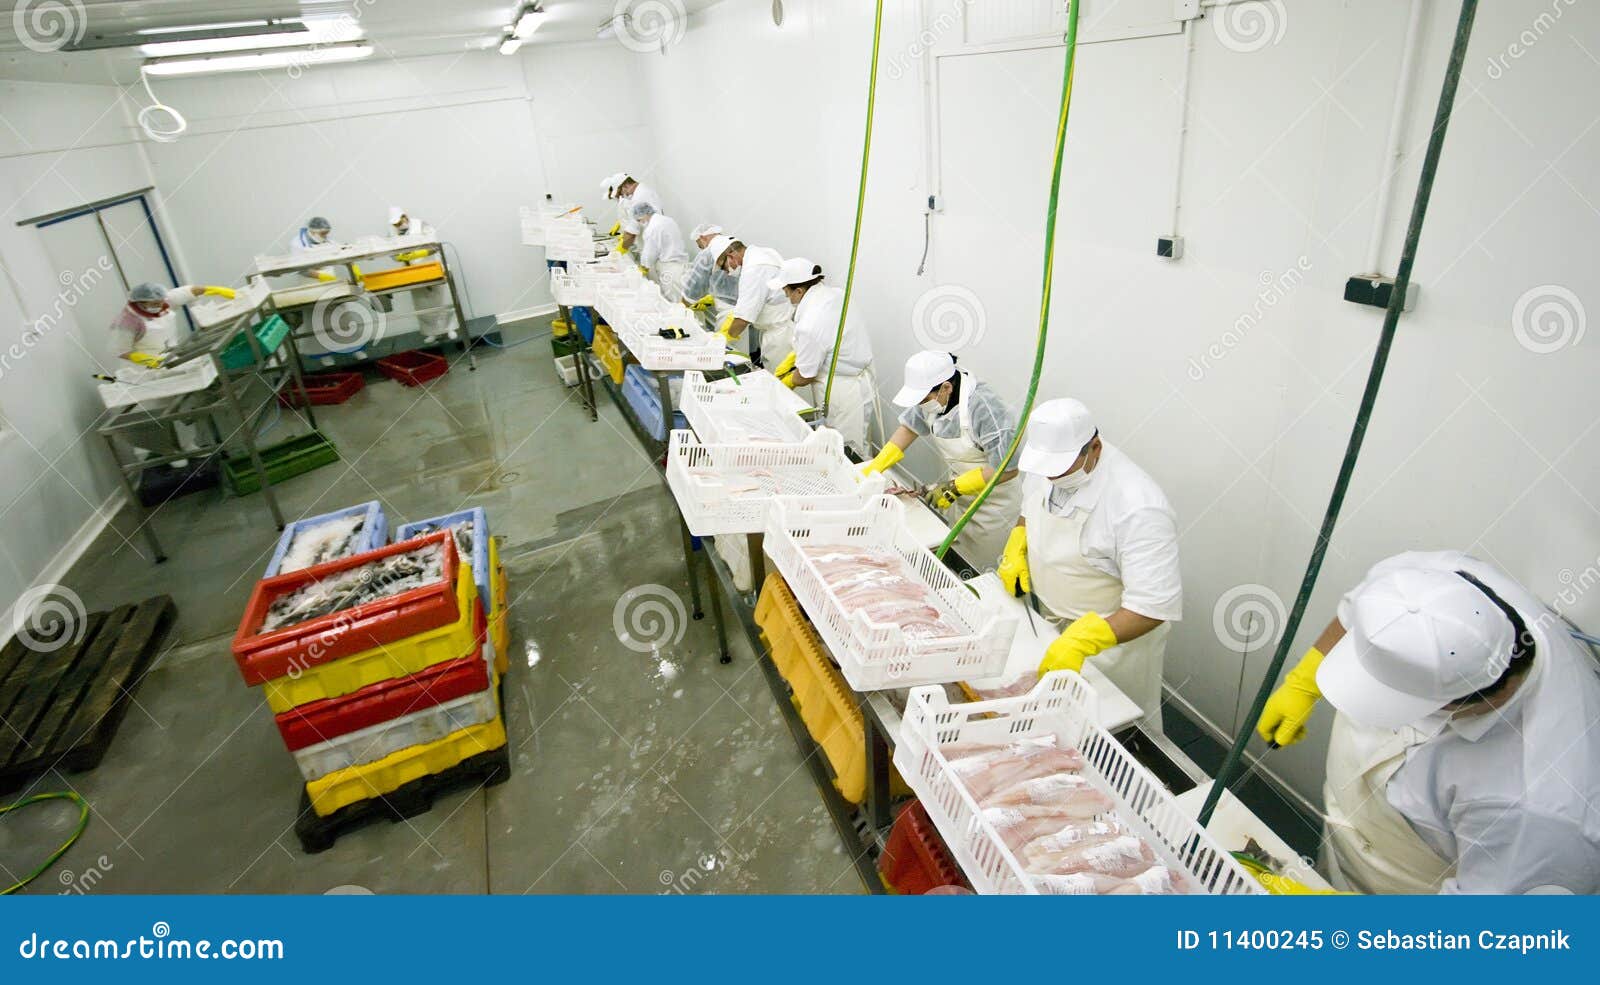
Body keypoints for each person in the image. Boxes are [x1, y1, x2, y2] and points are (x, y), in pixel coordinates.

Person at [1255, 550, 1600, 894]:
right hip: (1353, 836)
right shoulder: (1435, 585)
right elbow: (1357, 612)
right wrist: (1303, 681)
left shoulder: (1541, 815)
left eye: (1383, 695)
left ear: (1447, 705)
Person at [1008, 398, 1181, 728]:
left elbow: (1153, 606)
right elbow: (1030, 507)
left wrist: (1082, 641)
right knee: (1053, 724)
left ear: (1095, 447)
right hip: (1053, 621)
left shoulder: (1138, 506)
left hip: (1111, 647)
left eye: (1058, 468)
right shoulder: (1048, 465)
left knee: (1110, 729)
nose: (1050, 475)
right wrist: (1017, 542)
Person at [862, 350, 1021, 566]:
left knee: (984, 570)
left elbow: (1007, 468)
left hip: (995, 509)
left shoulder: (984, 407)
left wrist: (953, 488)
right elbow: (909, 428)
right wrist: (874, 467)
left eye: (924, 399)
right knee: (958, 558)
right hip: (961, 497)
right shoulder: (933, 398)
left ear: (946, 387)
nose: (921, 405)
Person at [765, 257, 878, 451]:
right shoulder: (835, 295)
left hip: (843, 390)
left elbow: (805, 376)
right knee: (858, 441)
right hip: (857, 380)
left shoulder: (810, 322)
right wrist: (795, 357)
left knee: (845, 448)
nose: (786, 297)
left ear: (799, 290)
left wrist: (784, 384)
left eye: (787, 292)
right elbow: (827, 339)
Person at [707, 235, 789, 365]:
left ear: (731, 256)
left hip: (778, 335)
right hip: (780, 329)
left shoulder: (754, 269)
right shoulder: (760, 254)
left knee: (777, 380)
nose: (727, 272)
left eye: (724, 267)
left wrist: (723, 340)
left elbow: (742, 320)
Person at [387, 206, 452, 342]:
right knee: (422, 303)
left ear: (405, 216)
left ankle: (450, 328)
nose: (399, 225)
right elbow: (392, 253)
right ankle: (431, 332)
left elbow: (434, 246)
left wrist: (418, 253)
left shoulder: (421, 225)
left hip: (432, 268)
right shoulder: (392, 232)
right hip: (413, 273)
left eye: (400, 222)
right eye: (396, 224)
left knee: (442, 300)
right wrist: (401, 258)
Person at [679, 222, 739, 315]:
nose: (702, 249)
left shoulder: (708, 252)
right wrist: (712, 297)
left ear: (703, 238)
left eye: (700, 246)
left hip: (728, 313)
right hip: (747, 309)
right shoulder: (735, 243)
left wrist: (681, 308)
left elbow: (694, 287)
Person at [633, 202, 688, 300]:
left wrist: (644, 267)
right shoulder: (667, 220)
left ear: (645, 214)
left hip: (669, 269)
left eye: (639, 220)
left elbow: (649, 253)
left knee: (674, 302)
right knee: (683, 299)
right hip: (680, 265)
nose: (640, 223)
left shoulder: (652, 228)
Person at [614, 174, 661, 254]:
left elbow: (633, 230)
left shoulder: (639, 196)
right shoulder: (642, 190)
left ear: (626, 185)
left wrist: (619, 251)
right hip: (651, 243)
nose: (626, 195)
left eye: (624, 192)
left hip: (653, 246)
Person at [289, 216, 339, 282]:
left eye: (327, 233)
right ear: (312, 231)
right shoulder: (297, 244)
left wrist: (352, 266)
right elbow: (299, 269)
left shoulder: (328, 239)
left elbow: (339, 252)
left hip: (330, 277)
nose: (325, 236)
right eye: (323, 234)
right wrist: (321, 276)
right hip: (310, 281)